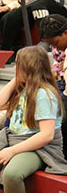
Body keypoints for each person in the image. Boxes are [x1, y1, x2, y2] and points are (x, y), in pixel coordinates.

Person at [0, 46, 67, 193]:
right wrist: (16, 79)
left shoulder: (44, 94)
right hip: (15, 140)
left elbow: (46, 135)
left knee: (12, 174)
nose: (15, 68)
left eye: (19, 65)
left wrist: (12, 151)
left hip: (40, 149)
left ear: (30, 67)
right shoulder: (22, 88)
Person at [39, 14, 67, 159]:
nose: (54, 47)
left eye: (55, 42)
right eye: (51, 45)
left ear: (65, 33)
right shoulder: (61, 49)